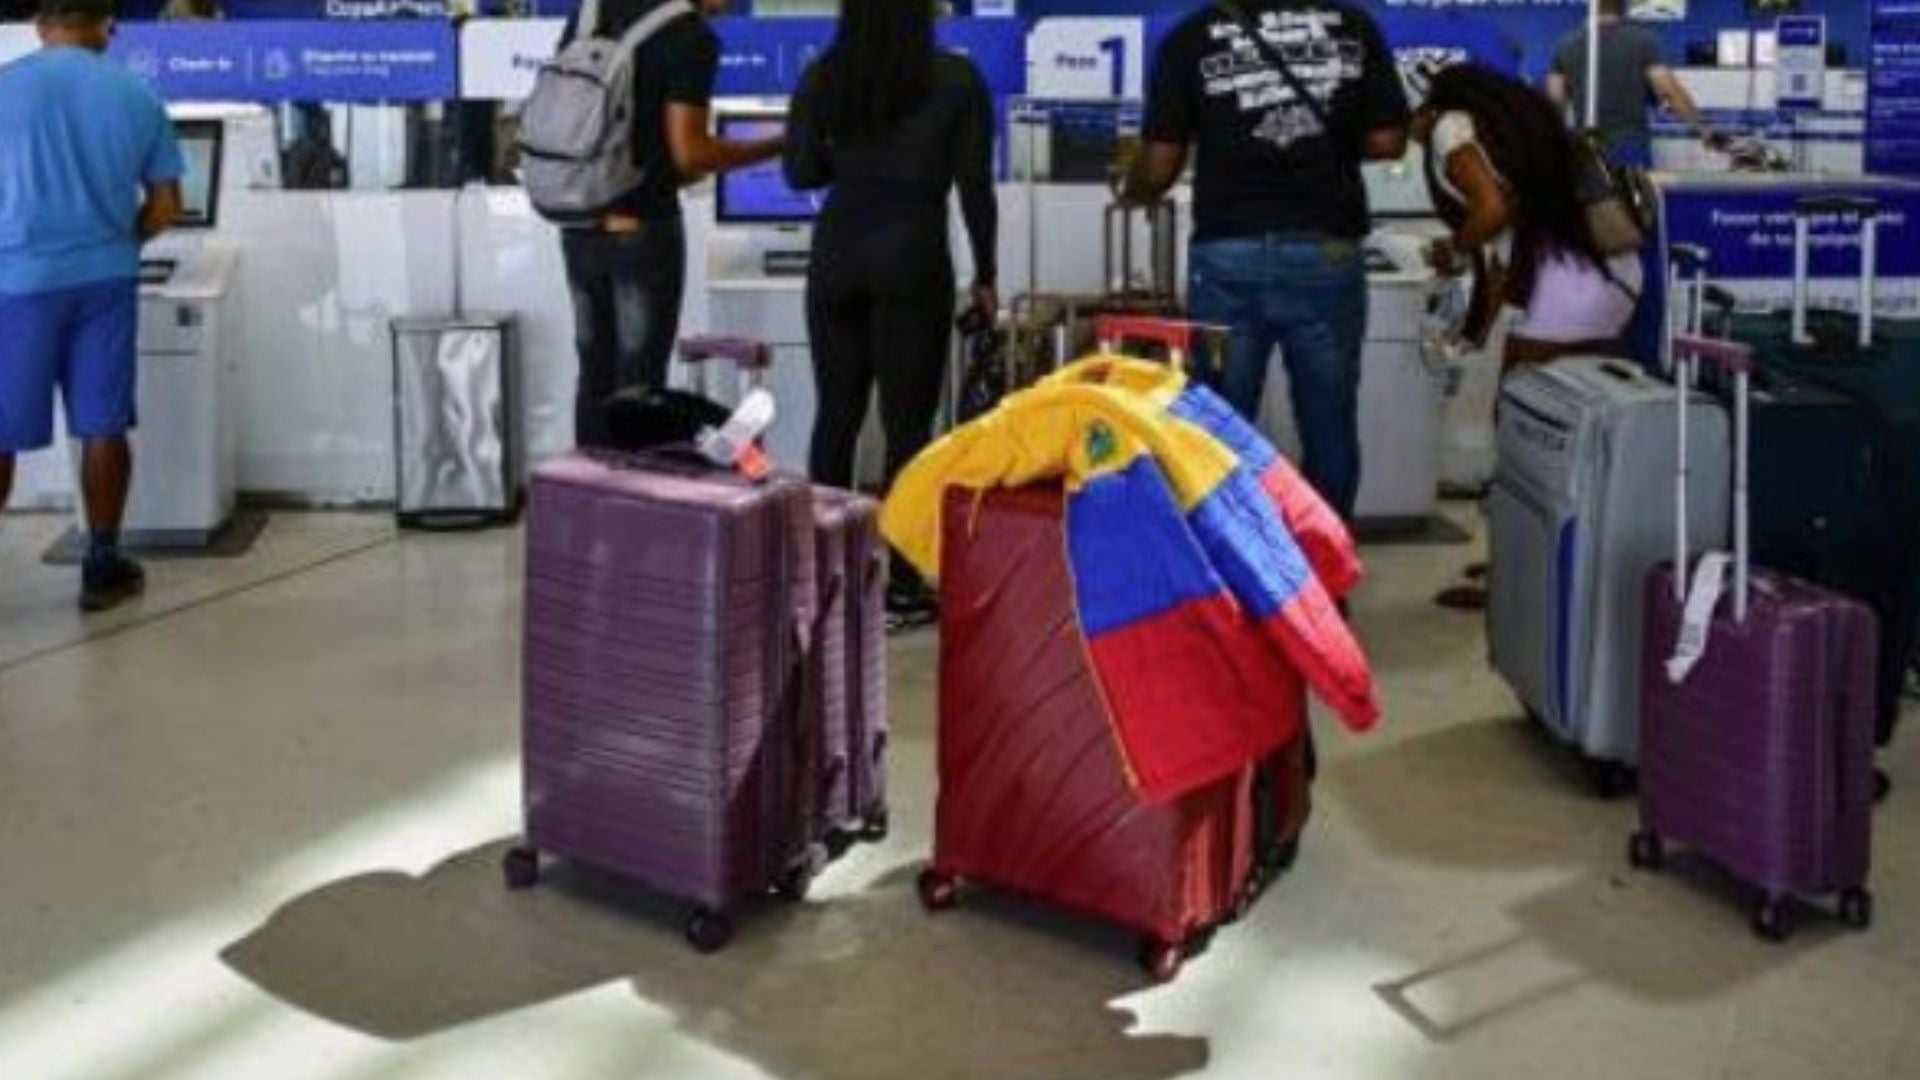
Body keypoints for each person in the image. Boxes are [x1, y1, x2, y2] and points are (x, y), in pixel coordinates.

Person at [1121, 0, 1409, 525]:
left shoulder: (1191, 37)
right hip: (1325, 248)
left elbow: (1160, 165)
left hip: (1229, 253)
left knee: (1220, 428)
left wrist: (1132, 187)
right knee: (1329, 425)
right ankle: (1322, 583)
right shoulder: (1355, 27)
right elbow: (1388, 140)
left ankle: (1233, 577)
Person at [785, 0, 998, 627]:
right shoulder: (957, 79)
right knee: (908, 427)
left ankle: (820, 573)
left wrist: (845, 163)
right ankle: (904, 582)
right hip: (914, 251)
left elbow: (798, 170)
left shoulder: (824, 74)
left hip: (838, 249)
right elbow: (974, 185)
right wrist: (986, 273)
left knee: (837, 416)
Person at [1412, 63, 1645, 608]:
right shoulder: (1523, 130)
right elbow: (1503, 259)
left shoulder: (1452, 128)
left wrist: (1452, 248)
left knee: (1526, 431)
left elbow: (1492, 212)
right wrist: (1475, 333)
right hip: (1613, 278)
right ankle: (1557, 555)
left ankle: (1518, 575)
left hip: (1559, 290)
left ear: (1427, 107)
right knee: (1582, 424)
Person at [0, 0, 184, 613]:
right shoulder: (136, 94)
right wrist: (119, 237)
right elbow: (165, 206)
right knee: (103, 424)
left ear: (38, 24)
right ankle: (102, 565)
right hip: (106, 279)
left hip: (16, 283)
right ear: (105, 23)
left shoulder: (5, 88)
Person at [559, 0, 782, 448]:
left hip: (579, 220)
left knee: (594, 372)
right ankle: (635, 511)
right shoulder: (688, 36)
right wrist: (774, 146)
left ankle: (585, 504)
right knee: (639, 381)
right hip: (642, 230)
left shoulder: (592, 12)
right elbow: (690, 152)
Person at [1546, 0, 1721, 168]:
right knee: (1633, 198)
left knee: (1593, 199)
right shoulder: (1643, 41)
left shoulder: (1565, 45)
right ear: (1623, 4)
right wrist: (1703, 130)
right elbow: (1668, 91)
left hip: (1585, 147)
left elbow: (1555, 101)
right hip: (1630, 145)